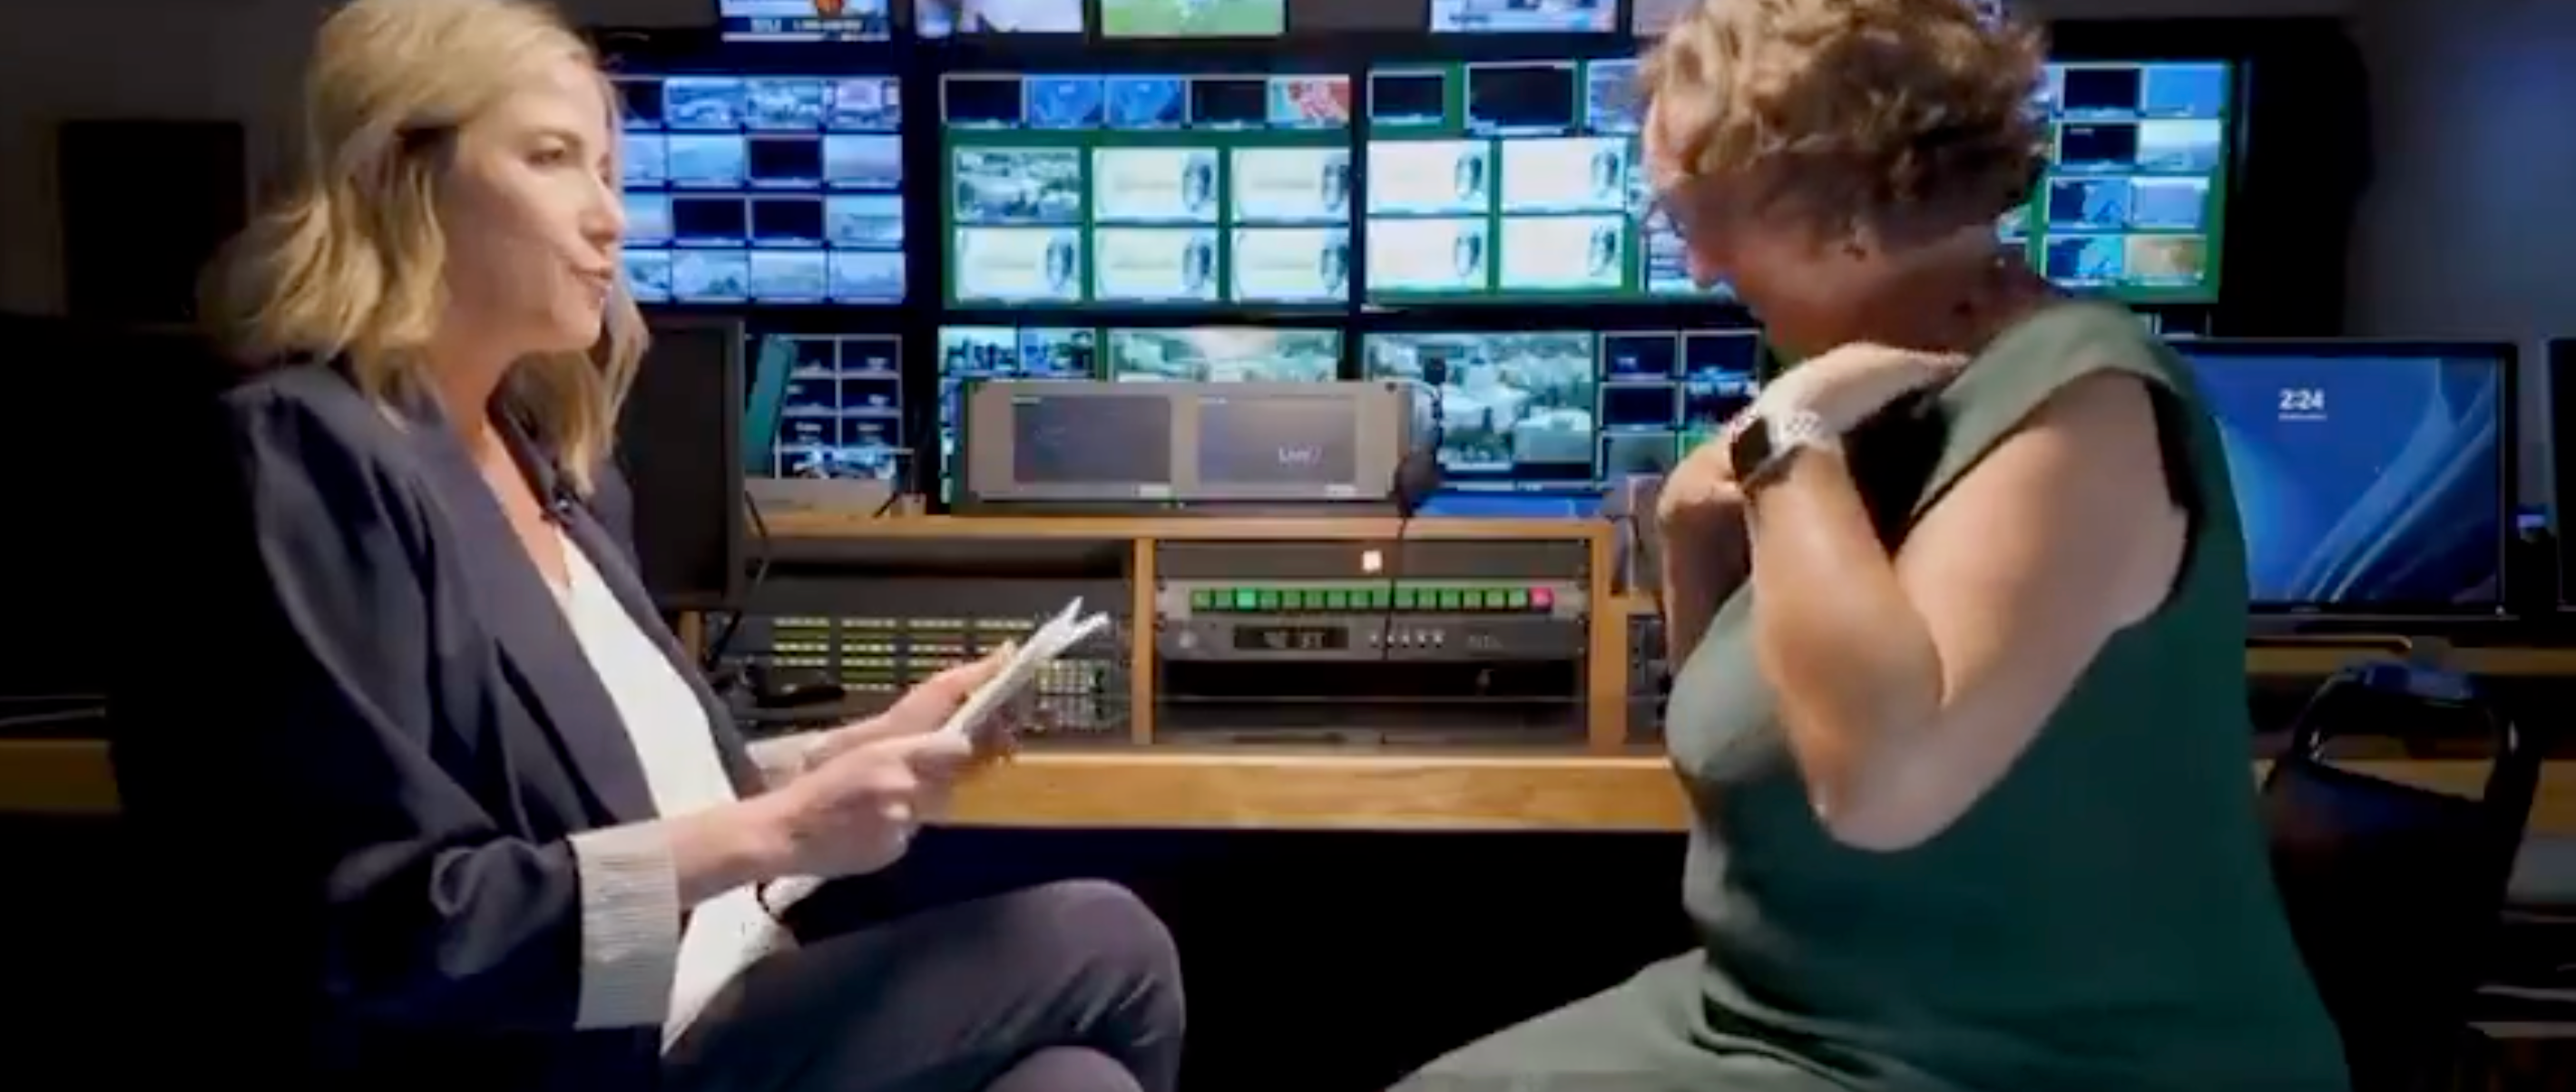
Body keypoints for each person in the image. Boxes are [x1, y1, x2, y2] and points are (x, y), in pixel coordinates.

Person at [107, 2, 1180, 1090]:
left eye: (607, 170)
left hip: (698, 993)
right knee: (1105, 937)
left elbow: (628, 805)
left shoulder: (544, 466)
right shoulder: (308, 455)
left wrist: (849, 754)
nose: (610, 217)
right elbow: (383, 927)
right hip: (572, 1050)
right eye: (551, 158)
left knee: (1075, 1081)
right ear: (401, 170)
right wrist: (786, 832)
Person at [1393, 1, 2348, 1090]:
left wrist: (1784, 443)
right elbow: (1754, 754)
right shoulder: (1873, 381)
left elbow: (1882, 786)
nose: (1695, 266)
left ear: (1846, 207)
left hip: (2027, 1061)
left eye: (1699, 216)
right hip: (1782, 1014)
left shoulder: (2079, 408)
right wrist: (1692, 536)